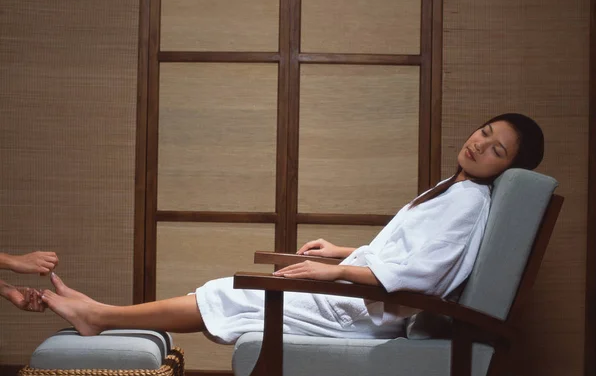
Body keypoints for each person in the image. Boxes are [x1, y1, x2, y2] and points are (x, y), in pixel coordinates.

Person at [41, 113, 545, 342]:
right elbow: (402, 250)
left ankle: (100, 317)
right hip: (356, 290)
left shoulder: (466, 203)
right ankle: (100, 315)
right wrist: (341, 250)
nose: (481, 145)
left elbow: (422, 277)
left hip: (366, 312)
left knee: (227, 290)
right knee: (232, 290)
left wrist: (335, 274)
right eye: (485, 132)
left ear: (505, 168)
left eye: (497, 149)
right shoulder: (450, 188)